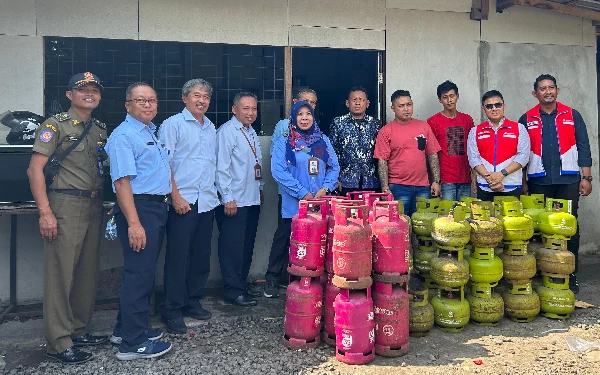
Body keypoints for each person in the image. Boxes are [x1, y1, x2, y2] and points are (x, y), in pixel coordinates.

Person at [27, 72, 108, 364]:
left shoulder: (99, 129)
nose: (89, 93)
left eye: (95, 90)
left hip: (94, 205)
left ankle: (79, 329)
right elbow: (35, 170)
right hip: (64, 204)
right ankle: (59, 342)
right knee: (61, 275)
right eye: (82, 89)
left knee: (87, 272)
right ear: (69, 94)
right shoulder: (54, 125)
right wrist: (45, 212)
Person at [105, 83, 172, 361]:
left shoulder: (148, 132)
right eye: (140, 100)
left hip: (154, 209)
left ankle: (126, 329)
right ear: (127, 104)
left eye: (152, 100)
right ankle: (132, 344)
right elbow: (121, 183)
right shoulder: (124, 136)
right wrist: (134, 223)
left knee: (142, 272)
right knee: (139, 275)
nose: (147, 105)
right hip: (139, 210)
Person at [519, 74, 593, 293]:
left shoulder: (572, 114)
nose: (548, 91)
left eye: (551, 87)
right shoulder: (527, 118)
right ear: (535, 93)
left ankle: (570, 274)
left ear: (557, 90)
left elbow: (583, 146)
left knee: (568, 227)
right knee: (540, 228)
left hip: (568, 180)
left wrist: (586, 177)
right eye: (543, 88)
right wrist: (523, 180)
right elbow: (522, 152)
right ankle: (543, 273)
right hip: (538, 181)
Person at [157, 79, 219, 334]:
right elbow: (164, 164)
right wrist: (176, 197)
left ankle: (193, 300)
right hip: (183, 202)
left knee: (200, 255)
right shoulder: (172, 125)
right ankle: (172, 308)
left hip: (206, 201)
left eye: (206, 96)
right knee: (178, 257)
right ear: (185, 98)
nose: (202, 100)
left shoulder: (211, 127)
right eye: (196, 95)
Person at [264, 101, 340, 298]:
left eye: (308, 114)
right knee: (285, 238)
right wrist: (302, 193)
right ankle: (273, 278)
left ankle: (311, 280)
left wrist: (325, 188)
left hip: (318, 202)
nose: (304, 118)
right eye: (300, 114)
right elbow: (278, 171)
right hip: (294, 202)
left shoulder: (321, 141)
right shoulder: (285, 141)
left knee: (315, 241)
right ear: (293, 118)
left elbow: (333, 167)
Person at [216, 92, 264, 307]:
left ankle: (241, 285)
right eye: (246, 108)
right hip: (234, 201)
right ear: (234, 109)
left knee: (246, 246)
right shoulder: (227, 132)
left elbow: (256, 164)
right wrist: (227, 198)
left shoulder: (251, 131)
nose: (251, 113)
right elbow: (221, 168)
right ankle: (232, 291)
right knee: (232, 248)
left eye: (254, 109)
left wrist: (260, 188)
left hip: (251, 198)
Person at [267, 88, 318, 290]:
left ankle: (293, 276)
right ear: (295, 102)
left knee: (306, 237)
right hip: (290, 193)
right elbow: (278, 165)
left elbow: (323, 162)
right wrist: (299, 189)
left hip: (312, 196)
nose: (308, 106)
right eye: (305, 101)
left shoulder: (316, 132)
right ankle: (272, 277)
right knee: (285, 234)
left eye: (313, 103)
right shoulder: (284, 127)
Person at [374, 90, 441, 216]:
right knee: (400, 224)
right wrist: (385, 188)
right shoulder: (386, 131)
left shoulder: (423, 127)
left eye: (409, 105)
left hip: (423, 187)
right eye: (401, 106)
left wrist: (436, 181)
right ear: (393, 108)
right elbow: (382, 161)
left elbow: (432, 155)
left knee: (422, 225)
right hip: (398, 187)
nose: (406, 109)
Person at [467, 90, 530, 202]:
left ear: (504, 106)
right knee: (485, 220)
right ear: (483, 109)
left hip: (511, 186)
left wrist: (502, 174)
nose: (494, 108)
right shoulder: (475, 131)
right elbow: (473, 158)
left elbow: (524, 156)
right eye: (489, 106)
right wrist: (491, 180)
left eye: (498, 105)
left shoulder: (519, 128)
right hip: (485, 187)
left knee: (510, 220)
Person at [427, 81, 475, 201]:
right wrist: (435, 180)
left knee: (464, 215)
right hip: (445, 179)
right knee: (446, 216)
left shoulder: (467, 119)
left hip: (465, 178)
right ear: (440, 100)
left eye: (452, 96)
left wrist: (474, 176)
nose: (449, 100)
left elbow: (473, 149)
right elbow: (430, 153)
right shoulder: (433, 121)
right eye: (445, 97)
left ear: (457, 96)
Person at [330, 86, 382, 196]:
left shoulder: (375, 124)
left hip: (371, 182)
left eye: (361, 100)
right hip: (345, 181)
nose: (357, 103)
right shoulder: (338, 123)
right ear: (347, 103)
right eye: (354, 100)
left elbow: (381, 153)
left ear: (367, 103)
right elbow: (331, 152)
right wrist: (334, 178)